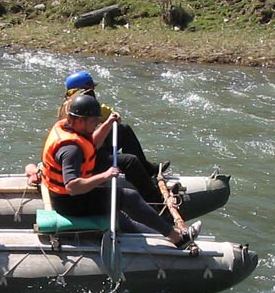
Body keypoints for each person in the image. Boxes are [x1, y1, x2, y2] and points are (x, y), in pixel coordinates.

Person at [42, 94, 199, 245]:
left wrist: (108, 123)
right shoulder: (71, 149)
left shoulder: (69, 127)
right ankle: (177, 238)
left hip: (69, 197)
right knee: (128, 197)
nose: (97, 122)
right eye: (94, 120)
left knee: (122, 214)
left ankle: (165, 232)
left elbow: (92, 145)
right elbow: (72, 187)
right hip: (71, 203)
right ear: (81, 120)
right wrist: (105, 175)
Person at [58, 70, 168, 206]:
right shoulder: (78, 107)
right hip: (85, 158)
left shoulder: (76, 103)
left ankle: (146, 169)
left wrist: (109, 120)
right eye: (91, 88)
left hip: (91, 147)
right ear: (85, 89)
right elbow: (89, 143)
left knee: (124, 130)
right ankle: (155, 200)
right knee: (130, 161)